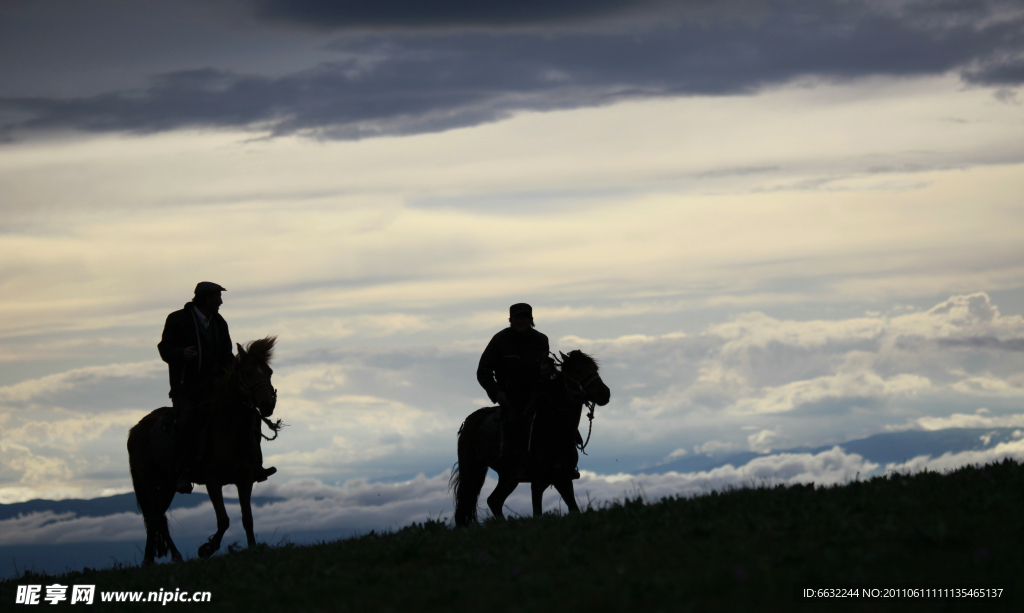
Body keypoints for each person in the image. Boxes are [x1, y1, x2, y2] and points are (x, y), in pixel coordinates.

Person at [157, 282, 274, 493]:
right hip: (188, 388)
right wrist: (182, 353)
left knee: (251, 415)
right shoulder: (177, 319)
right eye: (218, 297)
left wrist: (238, 369)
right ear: (207, 299)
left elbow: (226, 354)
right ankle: (183, 472)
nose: (221, 302)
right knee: (186, 419)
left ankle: (255, 466)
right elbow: (165, 349)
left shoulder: (219, 323)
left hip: (216, 387)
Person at [476, 303, 552, 476]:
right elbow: (483, 371)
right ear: (510, 319)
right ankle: (516, 463)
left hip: (537, 395)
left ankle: (564, 462)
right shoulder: (499, 340)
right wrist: (497, 393)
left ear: (531, 320)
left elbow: (545, 369)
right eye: (517, 318)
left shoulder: (541, 340)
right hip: (511, 397)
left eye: (525, 317)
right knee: (514, 423)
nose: (521, 321)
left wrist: (547, 371)